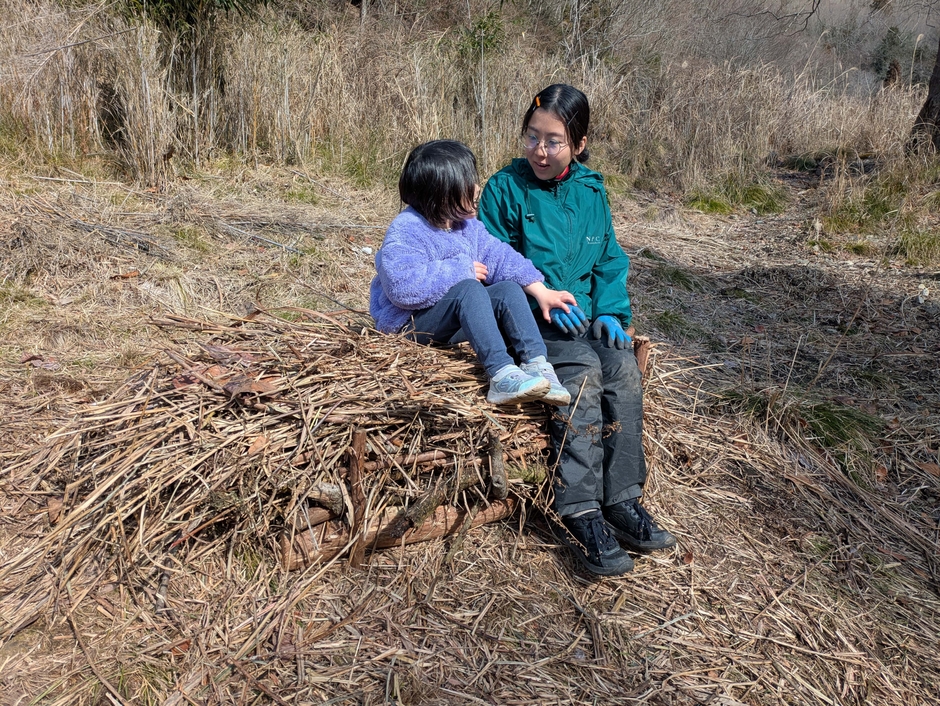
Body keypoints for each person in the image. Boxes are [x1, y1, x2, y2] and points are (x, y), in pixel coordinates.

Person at [478, 84, 676, 576]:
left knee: (623, 368)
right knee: (584, 370)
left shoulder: (591, 190)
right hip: (529, 322)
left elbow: (609, 256)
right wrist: (537, 296)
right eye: (532, 137)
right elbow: (491, 261)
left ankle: (623, 501)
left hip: (584, 318)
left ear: (580, 144)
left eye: (554, 141)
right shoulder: (505, 188)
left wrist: (610, 311)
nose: (539, 151)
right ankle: (582, 510)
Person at [370, 139, 577, 407]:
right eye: (467, 184)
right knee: (468, 289)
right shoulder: (406, 229)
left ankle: (537, 365)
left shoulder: (464, 226)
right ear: (441, 195)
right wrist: (460, 271)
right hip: (409, 325)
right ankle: (501, 374)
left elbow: (499, 255)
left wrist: (541, 290)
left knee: (507, 289)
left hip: (447, 323)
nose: (477, 188)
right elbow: (401, 288)